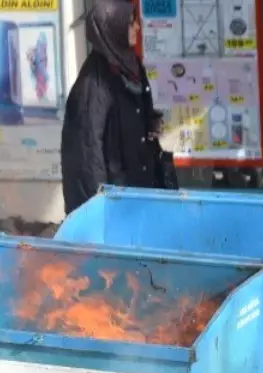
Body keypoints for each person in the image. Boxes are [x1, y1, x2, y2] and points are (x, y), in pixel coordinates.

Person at [60, 0, 173, 215]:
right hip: (116, 202)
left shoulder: (129, 67)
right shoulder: (93, 85)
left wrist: (150, 123)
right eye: (131, 23)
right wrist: (97, 212)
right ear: (114, 27)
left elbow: (133, 114)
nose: (137, 28)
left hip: (138, 192)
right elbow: (86, 155)